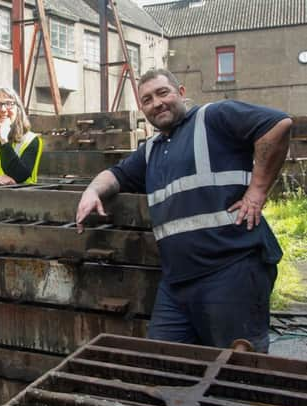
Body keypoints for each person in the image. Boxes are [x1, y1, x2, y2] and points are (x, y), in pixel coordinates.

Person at [76, 69, 292, 353]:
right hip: (177, 284)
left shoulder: (213, 117)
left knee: (237, 372)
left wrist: (258, 191)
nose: (157, 103)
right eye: (147, 99)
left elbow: (277, 124)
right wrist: (92, 191)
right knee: (166, 366)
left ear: (181, 92)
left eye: (162, 93)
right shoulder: (152, 149)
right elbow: (116, 174)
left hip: (231, 272)